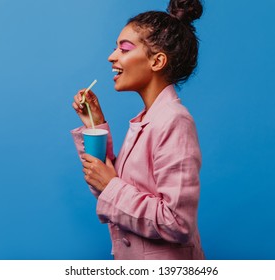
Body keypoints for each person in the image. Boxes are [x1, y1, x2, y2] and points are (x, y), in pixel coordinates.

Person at [71, 0, 205, 260]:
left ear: (157, 61)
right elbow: (105, 188)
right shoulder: (148, 120)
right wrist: (94, 123)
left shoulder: (174, 120)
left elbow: (177, 222)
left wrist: (110, 185)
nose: (112, 56)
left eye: (124, 49)